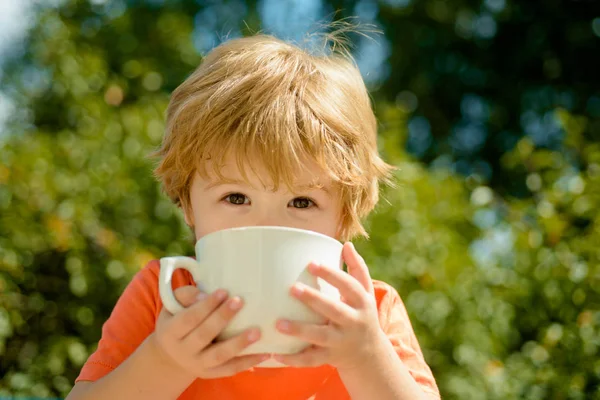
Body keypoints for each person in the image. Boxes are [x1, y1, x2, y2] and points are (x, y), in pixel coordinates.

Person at [67, 27, 440, 400]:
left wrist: (366, 357)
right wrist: (166, 360)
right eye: (235, 197)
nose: (266, 226)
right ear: (188, 204)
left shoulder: (370, 315)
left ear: (344, 217)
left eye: (301, 202)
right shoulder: (163, 299)